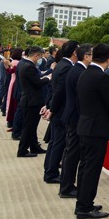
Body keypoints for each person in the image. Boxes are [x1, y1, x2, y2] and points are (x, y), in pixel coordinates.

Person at [75, 44, 109, 219]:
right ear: (108, 58)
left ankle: (83, 202)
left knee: (85, 166)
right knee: (92, 169)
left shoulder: (84, 73)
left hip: (85, 125)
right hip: (96, 129)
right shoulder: (101, 77)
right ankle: (85, 208)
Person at [59, 44, 92, 198]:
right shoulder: (78, 72)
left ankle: (67, 185)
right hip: (76, 117)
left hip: (73, 115)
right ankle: (67, 187)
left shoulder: (76, 69)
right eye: (92, 54)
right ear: (85, 56)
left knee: (71, 152)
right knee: (72, 153)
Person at [43, 41, 79, 183]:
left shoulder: (62, 65)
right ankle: (51, 173)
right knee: (58, 143)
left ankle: (49, 169)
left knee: (54, 142)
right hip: (61, 110)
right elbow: (59, 92)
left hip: (58, 109)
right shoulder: (66, 67)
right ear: (74, 52)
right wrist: (52, 109)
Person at [17, 46, 52, 158]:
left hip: (30, 99)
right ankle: (22, 150)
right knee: (29, 127)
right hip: (31, 100)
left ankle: (34, 146)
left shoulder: (24, 63)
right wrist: (48, 78)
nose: (40, 59)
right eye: (40, 56)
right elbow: (37, 82)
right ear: (36, 55)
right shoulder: (29, 66)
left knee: (32, 126)